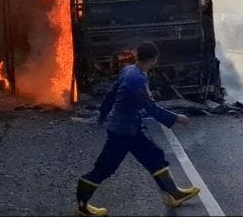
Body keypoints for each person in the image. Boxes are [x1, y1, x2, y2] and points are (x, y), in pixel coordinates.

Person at [75, 42, 200, 216]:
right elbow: (151, 108)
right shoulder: (137, 79)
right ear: (154, 59)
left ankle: (174, 194)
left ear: (137, 56)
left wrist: (103, 114)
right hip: (123, 132)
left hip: (130, 128)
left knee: (154, 156)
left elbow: (112, 94)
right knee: (104, 168)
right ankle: (82, 206)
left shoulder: (128, 70)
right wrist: (177, 118)